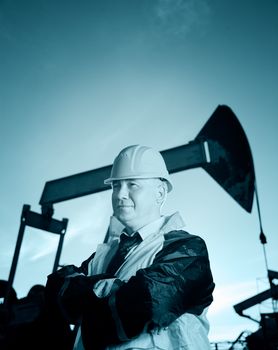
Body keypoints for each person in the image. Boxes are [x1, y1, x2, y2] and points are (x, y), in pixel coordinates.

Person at [45, 144, 215, 350]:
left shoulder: (187, 250)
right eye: (116, 186)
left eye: (132, 185)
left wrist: (88, 294)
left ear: (160, 193)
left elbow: (143, 305)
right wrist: (115, 288)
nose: (120, 195)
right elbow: (56, 291)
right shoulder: (104, 255)